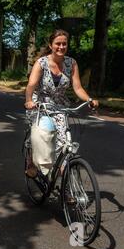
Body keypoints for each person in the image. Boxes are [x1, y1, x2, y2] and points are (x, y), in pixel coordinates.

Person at [24, 29, 99, 177]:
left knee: (64, 143)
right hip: (39, 104)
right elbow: (31, 85)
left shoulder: (72, 63)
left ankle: (66, 187)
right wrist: (28, 101)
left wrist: (89, 99)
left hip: (60, 106)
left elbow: (77, 87)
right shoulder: (42, 63)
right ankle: (31, 160)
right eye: (58, 43)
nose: (61, 47)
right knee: (39, 135)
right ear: (51, 45)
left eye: (64, 44)